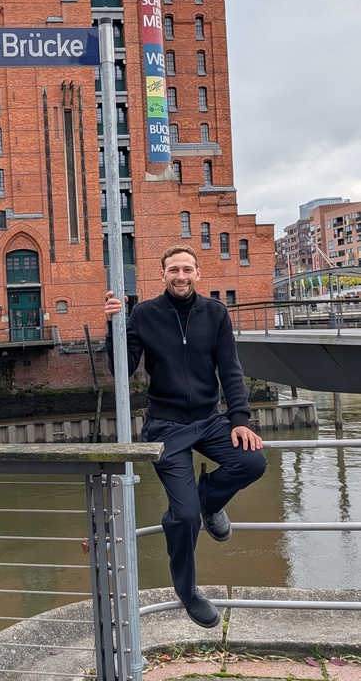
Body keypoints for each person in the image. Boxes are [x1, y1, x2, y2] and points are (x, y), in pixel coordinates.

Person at [104, 244, 266, 628]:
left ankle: (209, 503)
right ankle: (188, 590)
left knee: (251, 461)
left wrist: (239, 418)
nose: (180, 275)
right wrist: (113, 328)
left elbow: (230, 369)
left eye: (187, 269)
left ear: (198, 274)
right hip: (165, 424)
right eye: (173, 269)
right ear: (162, 274)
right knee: (183, 516)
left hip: (210, 419)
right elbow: (122, 372)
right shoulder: (144, 314)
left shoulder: (216, 313)